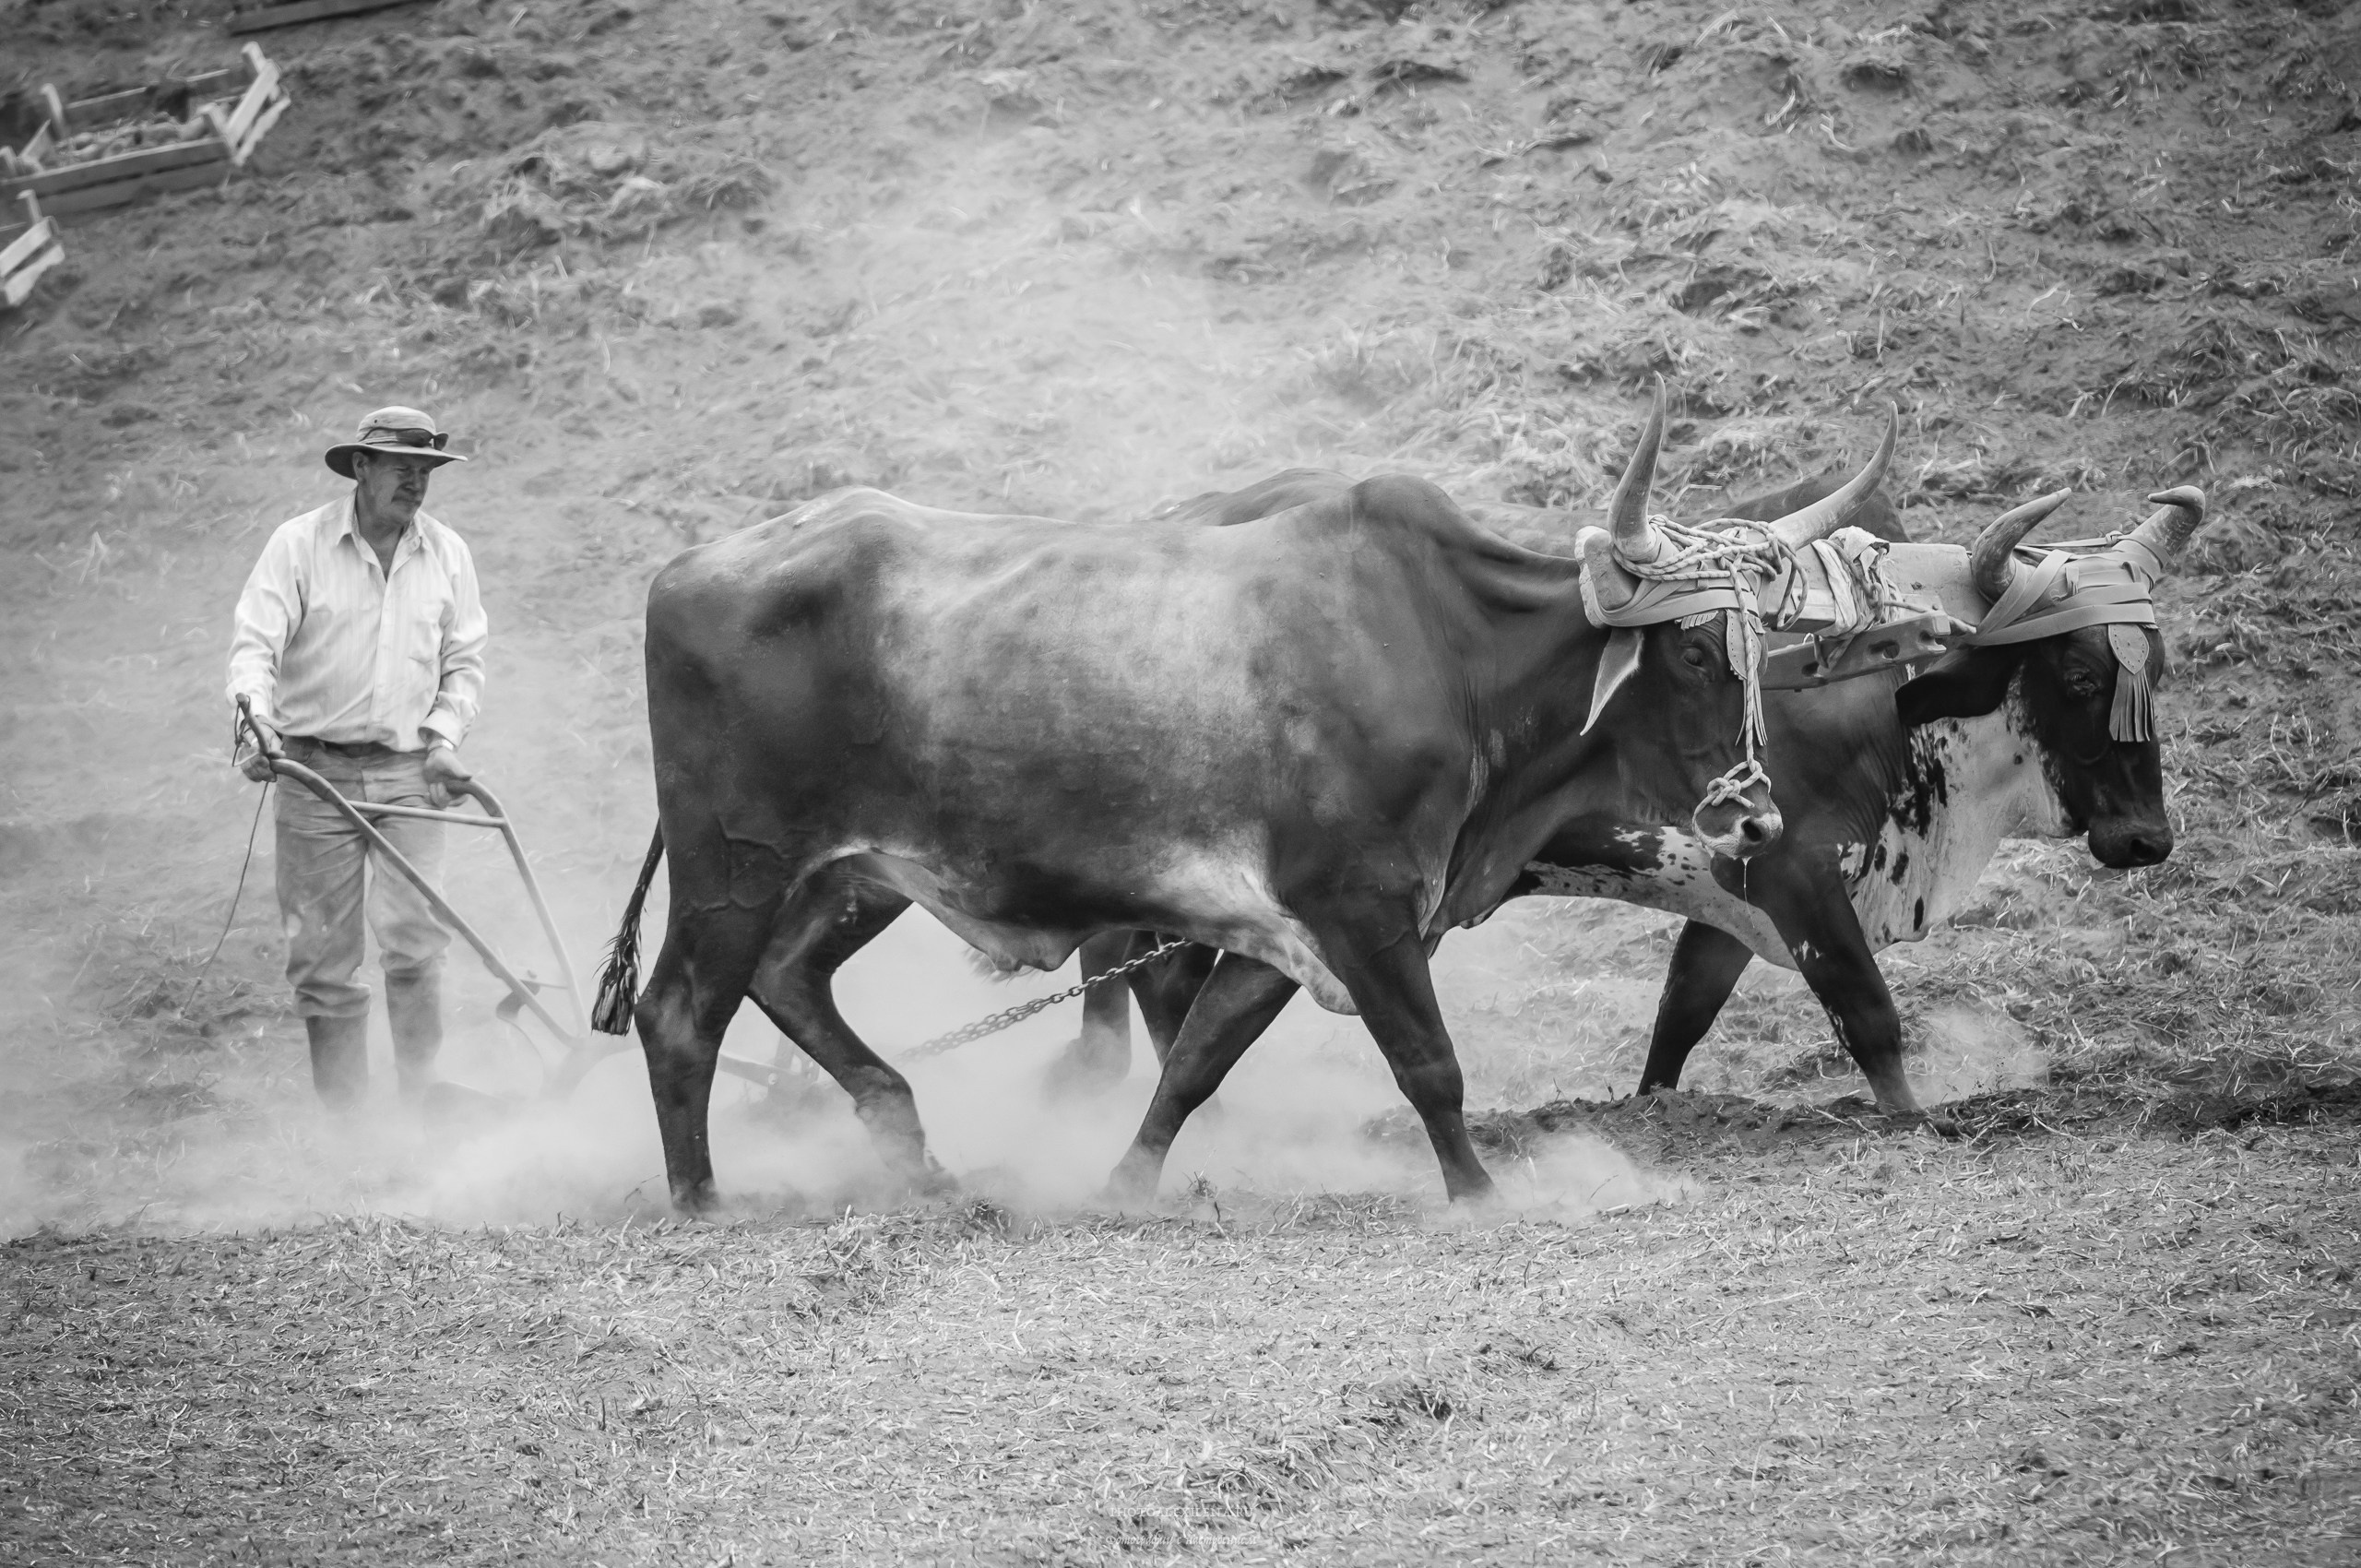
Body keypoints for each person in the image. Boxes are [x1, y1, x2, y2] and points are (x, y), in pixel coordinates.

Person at [225, 406, 487, 1111]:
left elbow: (463, 663)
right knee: (322, 957)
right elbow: (256, 647)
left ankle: (425, 1108)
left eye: (426, 469)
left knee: (415, 942)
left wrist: (443, 741)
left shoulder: (447, 554)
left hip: (409, 772)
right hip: (314, 773)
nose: (416, 482)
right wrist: (256, 726)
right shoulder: (299, 545)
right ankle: (348, 1135)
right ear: (361, 467)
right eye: (402, 466)